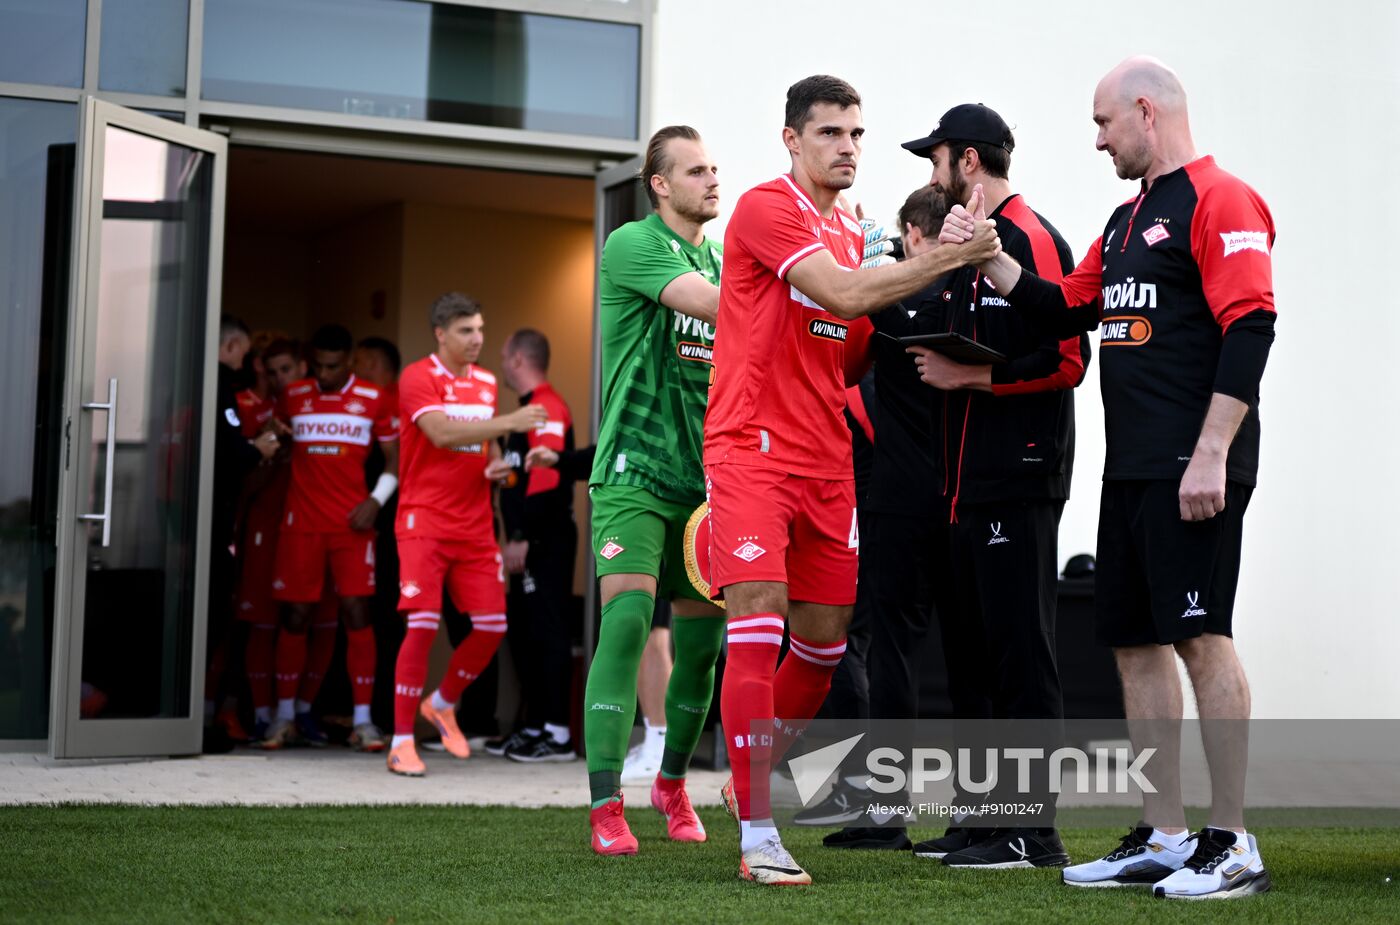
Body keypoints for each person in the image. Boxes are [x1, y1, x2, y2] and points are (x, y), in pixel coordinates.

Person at [941, 56, 1276, 899]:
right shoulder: (1125, 221)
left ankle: (1232, 840)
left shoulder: (1220, 198)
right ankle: (1165, 835)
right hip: (1129, 473)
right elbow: (1057, 305)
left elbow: (1252, 328)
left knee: (1202, 635)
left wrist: (1210, 452)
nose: (1097, 142)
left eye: (1103, 124)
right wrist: (986, 257)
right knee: (1134, 644)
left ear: (1145, 112)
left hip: (1195, 464)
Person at [703, 74, 1002, 886]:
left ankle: (747, 775)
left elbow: (848, 348)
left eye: (857, 134)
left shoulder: (853, 231)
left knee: (826, 644)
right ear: (793, 140)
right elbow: (839, 293)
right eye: (831, 133)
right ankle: (760, 827)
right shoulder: (767, 208)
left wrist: (932, 310)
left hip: (825, 459)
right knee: (758, 620)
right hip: (751, 448)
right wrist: (943, 257)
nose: (848, 147)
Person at [898, 103, 1090, 868]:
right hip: (965, 484)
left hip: (1019, 478)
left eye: (935, 159)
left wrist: (974, 374)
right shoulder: (962, 241)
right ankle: (983, 818)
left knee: (1021, 655)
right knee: (975, 659)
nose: (931, 174)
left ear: (967, 162)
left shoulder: (1031, 235)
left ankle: (1031, 830)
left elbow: (1069, 359)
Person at [582, 125, 728, 857]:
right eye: (696, 170)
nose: (712, 179)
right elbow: (712, 305)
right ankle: (607, 802)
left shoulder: (724, 255)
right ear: (660, 184)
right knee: (631, 621)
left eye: (714, 168)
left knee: (702, 648)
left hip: (705, 485)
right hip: (633, 473)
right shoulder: (632, 244)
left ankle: (672, 784)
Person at [386, 293, 546, 776]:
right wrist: (513, 422)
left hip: (475, 525)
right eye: (465, 331)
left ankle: (441, 702)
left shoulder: (485, 381)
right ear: (440, 333)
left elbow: (485, 442)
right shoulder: (418, 376)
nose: (477, 339)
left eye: (479, 329)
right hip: (423, 522)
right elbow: (439, 433)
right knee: (422, 623)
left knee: (493, 624)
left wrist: (497, 463)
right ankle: (401, 742)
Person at [262, 324, 398, 754]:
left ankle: (363, 722)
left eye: (334, 366)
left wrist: (376, 501)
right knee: (296, 616)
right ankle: (283, 717)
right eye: (318, 365)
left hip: (351, 525)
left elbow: (399, 457)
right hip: (300, 523)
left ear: (351, 360)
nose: (325, 373)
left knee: (357, 612)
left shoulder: (373, 398)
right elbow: (272, 438)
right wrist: (271, 437)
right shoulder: (294, 395)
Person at [489, 327, 578, 763]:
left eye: (505, 354)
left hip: (545, 540)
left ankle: (557, 734)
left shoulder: (546, 408)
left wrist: (522, 536)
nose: (501, 362)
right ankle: (534, 725)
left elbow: (544, 477)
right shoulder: (526, 411)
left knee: (548, 632)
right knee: (528, 634)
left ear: (520, 359)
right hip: (531, 541)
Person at [206, 315, 278, 751]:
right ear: (233, 347)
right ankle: (201, 720)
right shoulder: (221, 385)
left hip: (206, 526)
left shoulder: (191, 379)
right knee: (216, 623)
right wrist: (259, 449)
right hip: (217, 525)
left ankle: (206, 716)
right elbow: (231, 452)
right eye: (246, 353)